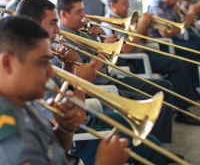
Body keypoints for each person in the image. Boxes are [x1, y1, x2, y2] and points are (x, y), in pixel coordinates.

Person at [16, 0, 168, 165]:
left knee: (149, 138)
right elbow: (68, 128)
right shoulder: (32, 71)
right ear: (32, 26)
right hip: (79, 142)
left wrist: (70, 69)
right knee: (151, 146)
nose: (58, 30)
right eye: (52, 23)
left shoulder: (46, 57)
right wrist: (79, 82)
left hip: (86, 121)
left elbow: (70, 109)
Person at [0, 16, 131, 165]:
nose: (50, 72)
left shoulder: (22, 102)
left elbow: (52, 154)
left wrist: (64, 130)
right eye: (42, 62)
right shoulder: (8, 136)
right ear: (7, 64)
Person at [104, 0, 200, 125]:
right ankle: (181, 110)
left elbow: (144, 40)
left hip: (144, 53)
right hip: (135, 61)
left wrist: (147, 26)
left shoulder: (124, 18)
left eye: (128, 3)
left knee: (177, 61)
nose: (128, 6)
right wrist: (142, 24)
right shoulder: (110, 22)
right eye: (125, 3)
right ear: (113, 5)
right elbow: (126, 49)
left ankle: (181, 100)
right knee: (176, 64)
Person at [149, 0, 200, 98]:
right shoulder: (157, 7)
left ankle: (192, 87)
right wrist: (186, 23)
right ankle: (192, 87)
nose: (178, 0)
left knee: (195, 45)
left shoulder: (168, 5)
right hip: (162, 43)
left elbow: (175, 22)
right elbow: (166, 34)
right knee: (191, 49)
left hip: (172, 39)